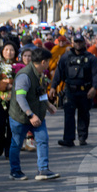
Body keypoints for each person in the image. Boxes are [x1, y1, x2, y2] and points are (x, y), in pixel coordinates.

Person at [8, 47, 58, 180]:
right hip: (21, 116)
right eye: (48, 61)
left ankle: (43, 170)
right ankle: (15, 171)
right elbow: (20, 98)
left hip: (37, 114)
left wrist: (48, 105)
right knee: (16, 143)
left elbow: (40, 91)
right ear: (43, 62)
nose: (48, 64)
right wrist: (30, 115)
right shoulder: (24, 75)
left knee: (43, 139)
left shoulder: (40, 74)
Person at [52, 34, 97, 147]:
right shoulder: (66, 57)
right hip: (70, 91)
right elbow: (59, 73)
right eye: (76, 42)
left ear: (84, 43)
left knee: (84, 114)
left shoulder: (91, 58)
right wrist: (54, 86)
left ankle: (82, 137)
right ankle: (68, 139)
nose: (78, 44)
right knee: (68, 114)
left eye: (80, 42)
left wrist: (94, 88)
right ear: (72, 43)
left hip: (85, 91)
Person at [0, 42, 18, 158]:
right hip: (0, 100)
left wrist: (10, 84)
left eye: (11, 50)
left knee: (11, 126)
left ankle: (9, 149)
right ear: (2, 51)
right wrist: (4, 86)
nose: (9, 52)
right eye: (6, 50)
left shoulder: (18, 66)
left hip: (15, 101)